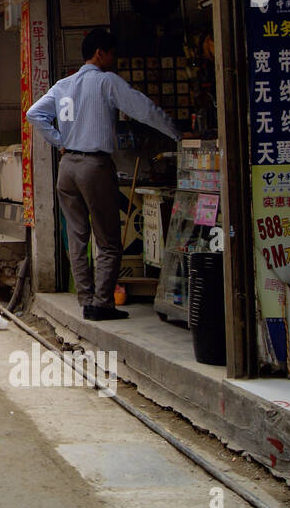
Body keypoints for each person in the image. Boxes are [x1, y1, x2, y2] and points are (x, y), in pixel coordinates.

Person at [26, 27, 182, 322]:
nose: (115, 59)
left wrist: (60, 141)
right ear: (100, 53)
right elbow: (145, 110)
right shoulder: (107, 82)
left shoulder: (63, 85)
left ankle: (86, 300)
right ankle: (102, 303)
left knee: (77, 237)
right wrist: (176, 133)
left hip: (68, 167)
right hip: (94, 166)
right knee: (108, 239)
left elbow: (34, 113)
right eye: (112, 53)